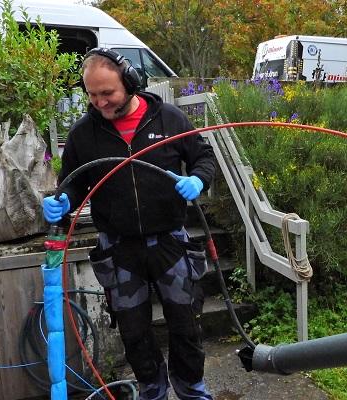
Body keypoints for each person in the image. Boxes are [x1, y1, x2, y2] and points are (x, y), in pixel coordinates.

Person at [42, 48, 216, 400]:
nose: (100, 103)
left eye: (108, 93)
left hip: (170, 242)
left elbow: (202, 157)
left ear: (131, 83)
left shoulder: (168, 119)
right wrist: (63, 201)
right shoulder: (83, 134)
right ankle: (152, 389)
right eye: (92, 95)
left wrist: (198, 180)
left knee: (185, 324)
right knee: (134, 332)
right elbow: (75, 182)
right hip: (119, 249)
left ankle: (191, 388)